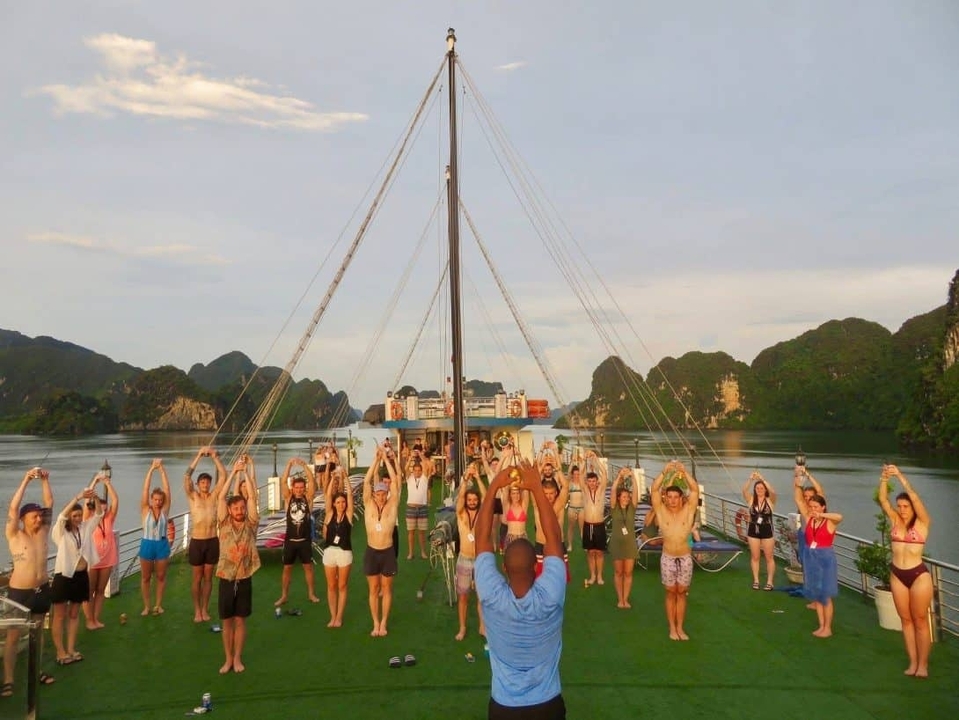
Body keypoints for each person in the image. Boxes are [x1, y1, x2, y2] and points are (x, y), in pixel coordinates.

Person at [474, 461, 567, 719]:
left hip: (504, 707)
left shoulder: (492, 596)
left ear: (503, 567)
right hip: (548, 704)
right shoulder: (551, 595)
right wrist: (537, 488)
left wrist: (493, 486)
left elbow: (481, 538)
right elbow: (554, 540)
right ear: (536, 566)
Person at [3, 467, 56, 695]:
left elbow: (50, 503)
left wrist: (44, 480)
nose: (39, 518)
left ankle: (38, 670)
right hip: (19, 593)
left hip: (41, 590)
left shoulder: (43, 532)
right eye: (34, 516)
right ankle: (8, 680)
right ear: (24, 519)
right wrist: (26, 478)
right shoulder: (15, 534)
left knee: (38, 632)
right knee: (13, 636)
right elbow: (13, 508)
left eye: (39, 515)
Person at [879, 464, 933, 677]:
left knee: (920, 620)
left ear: (913, 507)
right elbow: (883, 500)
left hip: (918, 575)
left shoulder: (922, 523)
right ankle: (912, 662)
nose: (901, 509)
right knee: (906, 620)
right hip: (897, 575)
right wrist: (884, 478)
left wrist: (900, 476)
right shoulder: (894, 521)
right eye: (899, 506)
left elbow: (917, 500)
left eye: (906, 506)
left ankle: (923, 665)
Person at [215, 455, 260, 674]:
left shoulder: (251, 524)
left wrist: (245, 474)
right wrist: (233, 472)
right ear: (230, 511)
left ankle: (238, 658)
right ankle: (228, 659)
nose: (240, 511)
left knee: (240, 620)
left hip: (243, 576)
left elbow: (252, 496)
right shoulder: (223, 523)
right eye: (236, 509)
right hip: (225, 576)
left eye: (242, 507)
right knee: (227, 622)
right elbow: (221, 497)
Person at [50, 487, 101, 665]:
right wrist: (78, 496)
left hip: (81, 576)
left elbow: (99, 516)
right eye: (75, 516)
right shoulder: (60, 532)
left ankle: (71, 649)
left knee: (74, 614)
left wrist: (94, 498)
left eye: (80, 515)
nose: (78, 519)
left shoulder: (85, 528)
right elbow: (61, 517)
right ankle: (60, 652)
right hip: (64, 577)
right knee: (59, 616)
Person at [649, 460, 700, 640]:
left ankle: (680, 627)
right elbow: (654, 490)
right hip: (668, 557)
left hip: (685, 557)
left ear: (680, 498)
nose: (671, 500)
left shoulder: (688, 510)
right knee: (671, 592)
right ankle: (672, 628)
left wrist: (684, 473)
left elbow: (694, 490)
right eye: (669, 497)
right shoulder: (661, 511)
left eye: (675, 497)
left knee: (682, 592)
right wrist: (664, 472)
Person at [793, 477, 842, 638]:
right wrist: (797, 482)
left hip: (825, 558)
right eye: (811, 506)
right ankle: (821, 625)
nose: (812, 509)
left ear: (823, 507)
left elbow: (839, 517)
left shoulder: (829, 522)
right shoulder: (809, 519)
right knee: (817, 593)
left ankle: (828, 627)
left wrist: (823, 514)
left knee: (825, 594)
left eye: (816, 506)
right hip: (811, 557)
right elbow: (798, 499)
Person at [184, 445, 227, 622]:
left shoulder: (214, 496)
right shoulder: (193, 496)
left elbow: (223, 476)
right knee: (197, 577)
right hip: (197, 541)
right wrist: (199, 455)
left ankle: (204, 608)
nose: (205, 484)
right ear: (198, 484)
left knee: (208, 577)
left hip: (212, 541)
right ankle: (196, 610)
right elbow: (186, 476)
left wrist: (215, 457)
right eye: (202, 482)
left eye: (207, 482)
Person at [363, 447, 400, 637]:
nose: (380, 496)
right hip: (372, 551)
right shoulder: (368, 504)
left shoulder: (392, 506)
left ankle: (384, 622)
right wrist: (376, 460)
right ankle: (375, 622)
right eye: (377, 493)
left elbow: (395, 481)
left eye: (383, 493)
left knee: (386, 588)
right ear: (374, 494)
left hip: (387, 551)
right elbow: (366, 481)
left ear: (386, 494)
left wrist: (386, 459)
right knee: (373, 588)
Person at [275, 457, 320, 607]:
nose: (299, 489)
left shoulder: (308, 499)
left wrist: (304, 466)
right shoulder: (289, 499)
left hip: (304, 541)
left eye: (301, 487)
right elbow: (283, 482)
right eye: (297, 487)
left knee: (308, 567)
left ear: (304, 488)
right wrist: (288, 465)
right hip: (290, 541)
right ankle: (284, 596)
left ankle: (311, 593)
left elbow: (312, 482)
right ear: (293, 488)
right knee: (287, 568)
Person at [83, 470, 118, 630]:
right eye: (99, 509)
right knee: (89, 591)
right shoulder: (88, 519)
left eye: (103, 509)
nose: (101, 511)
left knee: (100, 590)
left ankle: (96, 619)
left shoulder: (109, 518)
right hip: (92, 560)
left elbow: (116, 500)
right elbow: (86, 501)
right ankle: (89, 620)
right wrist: (95, 482)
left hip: (107, 559)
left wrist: (107, 483)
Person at [454, 463, 486, 641]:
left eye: (475, 500)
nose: (472, 502)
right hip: (464, 559)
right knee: (463, 596)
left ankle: (482, 626)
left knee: (482, 596)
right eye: (470, 500)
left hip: (480, 559)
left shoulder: (482, 513)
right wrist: (466, 479)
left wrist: (479, 477)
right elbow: (459, 497)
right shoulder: (460, 513)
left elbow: (488, 497)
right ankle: (462, 627)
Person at [322, 465, 355, 628]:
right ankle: (332, 616)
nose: (341, 504)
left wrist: (346, 478)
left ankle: (339, 617)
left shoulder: (348, 515)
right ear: (334, 504)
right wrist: (334, 478)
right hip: (329, 553)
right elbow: (328, 495)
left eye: (343, 502)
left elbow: (350, 495)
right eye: (338, 502)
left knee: (342, 585)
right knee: (331, 586)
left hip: (344, 553)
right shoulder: (329, 514)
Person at [139, 458, 171, 616]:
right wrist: (152, 469)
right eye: (155, 499)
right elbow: (145, 489)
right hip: (147, 545)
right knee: (145, 577)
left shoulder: (165, 510)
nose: (158, 502)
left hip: (161, 545)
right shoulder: (145, 509)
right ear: (152, 499)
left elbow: (167, 489)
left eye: (160, 500)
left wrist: (162, 469)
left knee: (160, 576)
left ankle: (158, 605)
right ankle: (147, 606)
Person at [741, 472, 777, 590]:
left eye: (762, 488)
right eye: (757, 488)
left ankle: (770, 582)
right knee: (755, 556)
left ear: (765, 489)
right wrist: (750, 479)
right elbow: (744, 490)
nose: (759, 490)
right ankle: (756, 580)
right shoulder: (751, 500)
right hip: (753, 530)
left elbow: (773, 492)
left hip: (767, 530)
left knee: (769, 557)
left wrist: (763, 479)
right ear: (755, 489)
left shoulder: (770, 500)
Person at [609, 468, 637, 608]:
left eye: (628, 496)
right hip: (616, 544)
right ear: (619, 498)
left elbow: (636, 492)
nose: (626, 498)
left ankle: (626, 599)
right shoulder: (614, 508)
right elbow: (613, 491)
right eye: (624, 496)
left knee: (628, 572)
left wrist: (633, 477)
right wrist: (619, 476)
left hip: (630, 545)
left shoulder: (632, 508)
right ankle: (620, 598)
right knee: (619, 572)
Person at [580, 451, 608, 586]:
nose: (591, 483)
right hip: (588, 525)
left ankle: (600, 576)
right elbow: (580, 476)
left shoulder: (601, 490)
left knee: (600, 553)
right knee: (591, 553)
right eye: (589, 481)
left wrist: (596, 460)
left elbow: (605, 475)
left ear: (597, 482)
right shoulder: (585, 491)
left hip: (599, 525)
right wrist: (584, 461)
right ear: (587, 482)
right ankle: (592, 576)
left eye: (594, 481)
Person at [403, 458, 430, 560]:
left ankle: (423, 552)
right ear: (413, 471)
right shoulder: (409, 478)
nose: (417, 472)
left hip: (422, 508)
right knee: (411, 532)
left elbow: (427, 467)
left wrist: (421, 456)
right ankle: (410, 553)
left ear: (421, 471)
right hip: (411, 508)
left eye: (419, 470)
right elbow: (405, 469)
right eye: (415, 470)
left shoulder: (424, 478)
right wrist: (410, 458)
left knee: (422, 532)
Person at [565, 464, 584, 553]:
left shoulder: (582, 484)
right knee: (571, 528)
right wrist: (572, 462)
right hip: (572, 508)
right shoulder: (570, 483)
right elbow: (568, 475)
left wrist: (583, 461)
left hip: (581, 508)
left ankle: (585, 544)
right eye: (575, 474)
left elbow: (583, 471)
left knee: (582, 528)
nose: (576, 476)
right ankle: (570, 545)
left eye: (578, 474)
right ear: (572, 474)